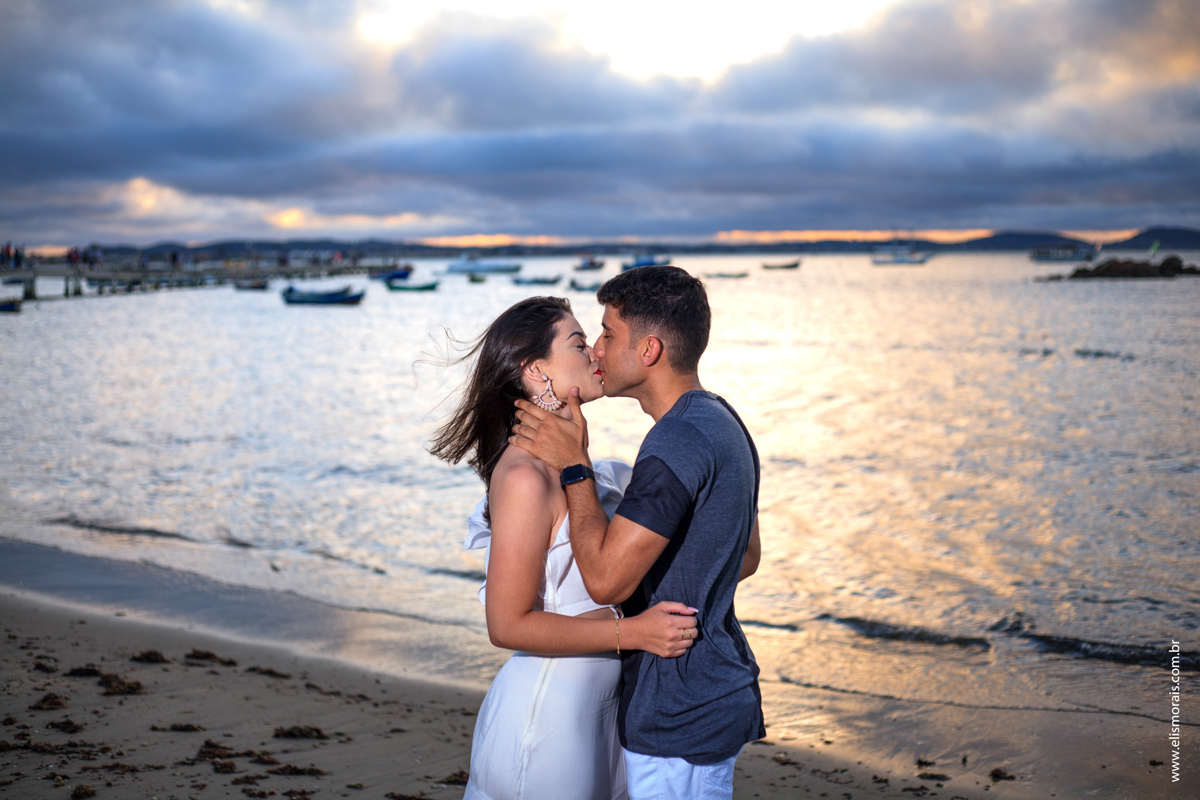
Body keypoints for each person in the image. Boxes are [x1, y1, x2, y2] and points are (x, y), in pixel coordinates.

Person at [429, 296, 701, 800]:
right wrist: (636, 631)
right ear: (536, 371)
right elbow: (506, 624)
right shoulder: (524, 478)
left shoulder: (573, 465)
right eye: (579, 343)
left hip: (599, 714)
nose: (597, 352)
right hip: (549, 717)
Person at [510, 266, 765, 800]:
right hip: (714, 689)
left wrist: (574, 466)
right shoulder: (721, 419)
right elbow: (744, 556)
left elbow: (605, 582)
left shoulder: (674, 445)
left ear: (648, 350)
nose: (598, 350)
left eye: (607, 333)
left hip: (681, 708)